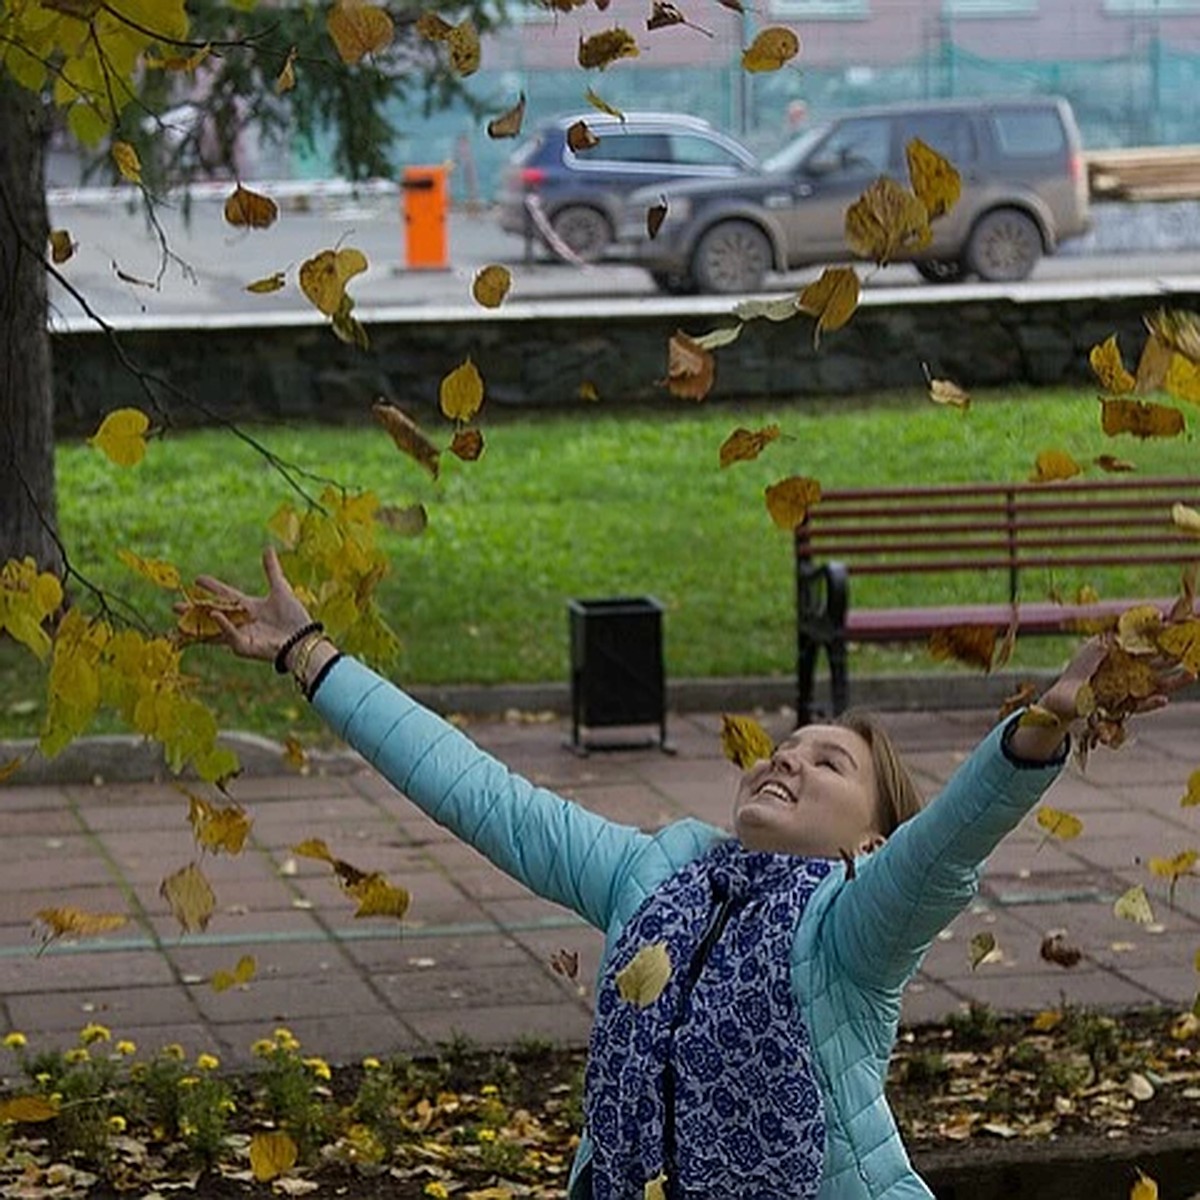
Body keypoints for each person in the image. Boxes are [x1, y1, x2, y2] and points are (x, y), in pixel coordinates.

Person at [191, 548, 1186, 1200]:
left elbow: (948, 845)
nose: (789, 759)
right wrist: (311, 655)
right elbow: (479, 793)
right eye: (787, 747)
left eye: (829, 763)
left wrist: (1039, 730)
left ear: (870, 842)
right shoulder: (650, 872)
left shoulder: (857, 923)